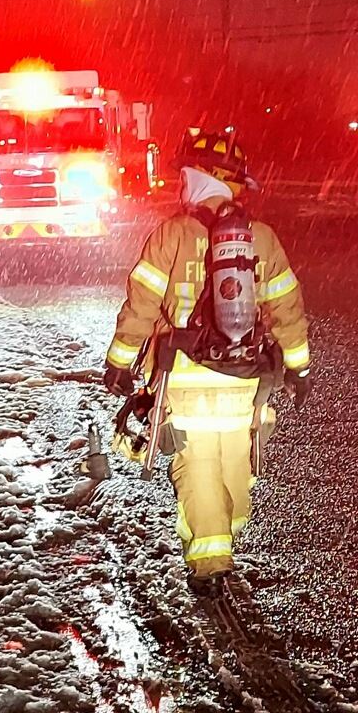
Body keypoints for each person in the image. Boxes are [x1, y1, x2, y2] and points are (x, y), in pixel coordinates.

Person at [104, 128, 311, 595]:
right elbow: (287, 308)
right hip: (244, 378)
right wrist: (299, 367)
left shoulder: (173, 234)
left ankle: (210, 560)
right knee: (236, 462)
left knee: (196, 464)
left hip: (184, 377)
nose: (180, 184)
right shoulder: (261, 238)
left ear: (199, 178)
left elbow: (141, 304)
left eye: (185, 176)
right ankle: (224, 535)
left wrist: (119, 361)